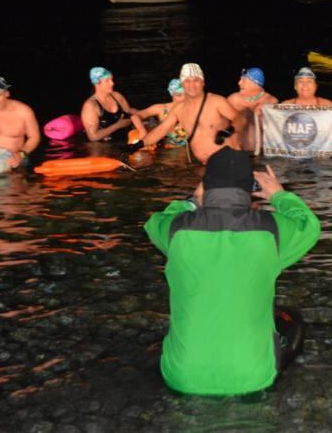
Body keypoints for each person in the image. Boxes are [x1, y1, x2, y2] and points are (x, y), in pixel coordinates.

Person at [143, 147, 320, 396]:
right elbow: (309, 226)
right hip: (252, 378)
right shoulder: (272, 230)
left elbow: (154, 223)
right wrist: (279, 196)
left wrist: (192, 201)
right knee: (291, 319)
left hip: (181, 376)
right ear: (250, 188)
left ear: (205, 186)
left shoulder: (174, 229)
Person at [132, 63, 244, 163]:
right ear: (183, 84)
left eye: (196, 80)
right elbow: (162, 130)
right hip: (204, 165)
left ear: (203, 82)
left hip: (228, 161)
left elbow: (240, 119)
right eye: (187, 81)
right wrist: (138, 145)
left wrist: (228, 132)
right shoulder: (179, 109)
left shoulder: (216, 101)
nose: (192, 85)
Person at [80, 67, 147, 142]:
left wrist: (145, 116)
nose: (112, 83)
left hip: (124, 140)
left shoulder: (116, 96)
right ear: (97, 84)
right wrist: (117, 125)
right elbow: (93, 136)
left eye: (112, 80)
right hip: (105, 146)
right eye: (107, 81)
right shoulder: (90, 106)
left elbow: (129, 111)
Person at [227, 67, 279, 153]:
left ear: (255, 83)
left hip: (262, 153)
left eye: (243, 81)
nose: (239, 83)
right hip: (236, 152)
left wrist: (266, 110)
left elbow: (276, 132)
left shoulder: (271, 101)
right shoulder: (233, 99)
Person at [134, 78, 188, 147]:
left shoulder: (193, 109)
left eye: (186, 95)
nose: (183, 98)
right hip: (168, 149)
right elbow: (135, 116)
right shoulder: (161, 109)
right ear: (172, 94)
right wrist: (142, 130)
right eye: (179, 95)